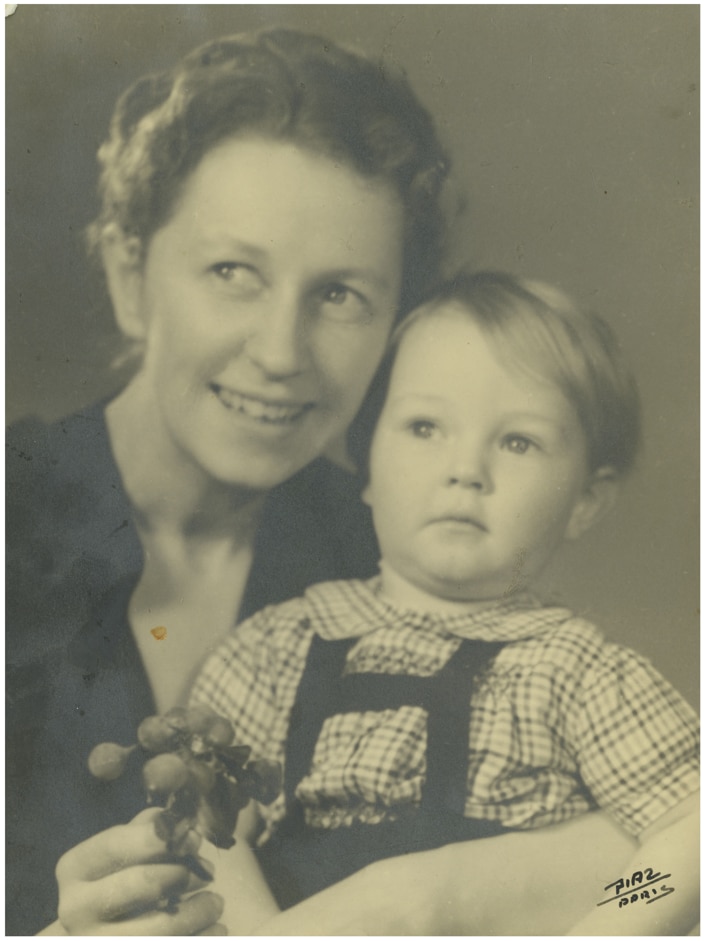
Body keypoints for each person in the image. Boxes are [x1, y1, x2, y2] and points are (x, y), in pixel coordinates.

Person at [8, 29, 634, 938]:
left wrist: (423, 901)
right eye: (233, 272)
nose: (279, 354)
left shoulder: (401, 558)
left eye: (341, 295)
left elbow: (662, 859)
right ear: (129, 273)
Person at [187, 272, 699, 935]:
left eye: (518, 441)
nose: (466, 468)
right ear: (367, 466)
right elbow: (200, 824)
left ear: (585, 501)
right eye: (425, 426)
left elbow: (692, 833)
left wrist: (607, 927)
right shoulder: (270, 649)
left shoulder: (577, 669)